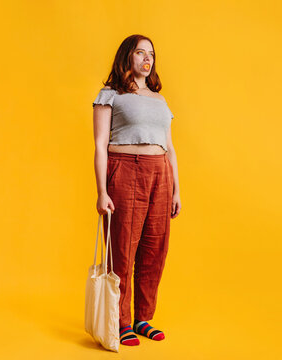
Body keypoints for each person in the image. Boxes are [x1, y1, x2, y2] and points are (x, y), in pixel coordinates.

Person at [92, 34, 181, 346]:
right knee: (123, 247)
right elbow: (100, 144)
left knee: (155, 247)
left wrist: (176, 189)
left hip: (161, 172)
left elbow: (169, 147)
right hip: (125, 167)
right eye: (140, 52)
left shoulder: (160, 100)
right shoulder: (110, 95)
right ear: (127, 57)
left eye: (152, 54)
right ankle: (121, 320)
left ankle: (143, 317)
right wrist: (102, 191)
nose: (147, 58)